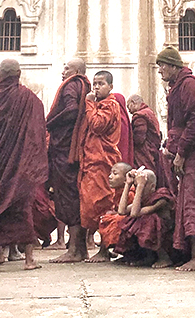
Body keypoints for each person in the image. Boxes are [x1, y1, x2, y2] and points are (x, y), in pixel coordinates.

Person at [0, 59, 48, 273]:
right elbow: (37, 133)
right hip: (18, 164)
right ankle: (29, 260)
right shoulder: (28, 98)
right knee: (20, 209)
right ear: (18, 74)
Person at [158, 46, 195, 272]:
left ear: (174, 66)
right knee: (187, 201)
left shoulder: (189, 85)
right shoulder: (177, 87)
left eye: (163, 65)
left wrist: (181, 152)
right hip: (188, 152)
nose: (160, 70)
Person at [76, 71, 123, 262]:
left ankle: (104, 250)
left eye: (101, 84)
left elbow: (96, 125)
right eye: (94, 84)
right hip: (92, 160)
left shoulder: (110, 105)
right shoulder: (99, 105)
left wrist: (88, 103)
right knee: (91, 206)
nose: (96, 87)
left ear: (110, 87)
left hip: (103, 161)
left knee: (102, 204)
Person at [46, 58, 90, 263]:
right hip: (71, 147)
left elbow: (72, 110)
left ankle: (74, 250)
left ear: (78, 71)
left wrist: (51, 123)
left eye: (67, 68)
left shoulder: (72, 85)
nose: (63, 71)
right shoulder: (82, 86)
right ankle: (79, 248)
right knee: (74, 195)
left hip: (65, 149)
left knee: (69, 196)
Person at [116, 168, 176, 267]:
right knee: (127, 221)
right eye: (136, 186)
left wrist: (140, 185)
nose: (137, 188)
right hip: (153, 238)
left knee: (148, 220)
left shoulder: (161, 197)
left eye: (143, 186)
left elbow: (135, 213)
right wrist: (128, 184)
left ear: (152, 187)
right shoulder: (142, 199)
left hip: (167, 239)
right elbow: (121, 211)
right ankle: (147, 256)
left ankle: (164, 258)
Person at [88, 162, 131, 263]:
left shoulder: (130, 192)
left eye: (115, 174)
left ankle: (104, 252)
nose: (110, 176)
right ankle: (107, 251)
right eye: (111, 173)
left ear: (126, 180)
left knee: (110, 220)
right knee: (106, 215)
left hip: (132, 222)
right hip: (125, 218)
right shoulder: (118, 190)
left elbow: (126, 212)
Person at [126, 94, 170, 191]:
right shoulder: (149, 112)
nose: (128, 110)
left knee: (144, 174)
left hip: (144, 152)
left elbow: (139, 138)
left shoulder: (139, 116)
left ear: (134, 103)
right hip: (153, 149)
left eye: (128, 106)